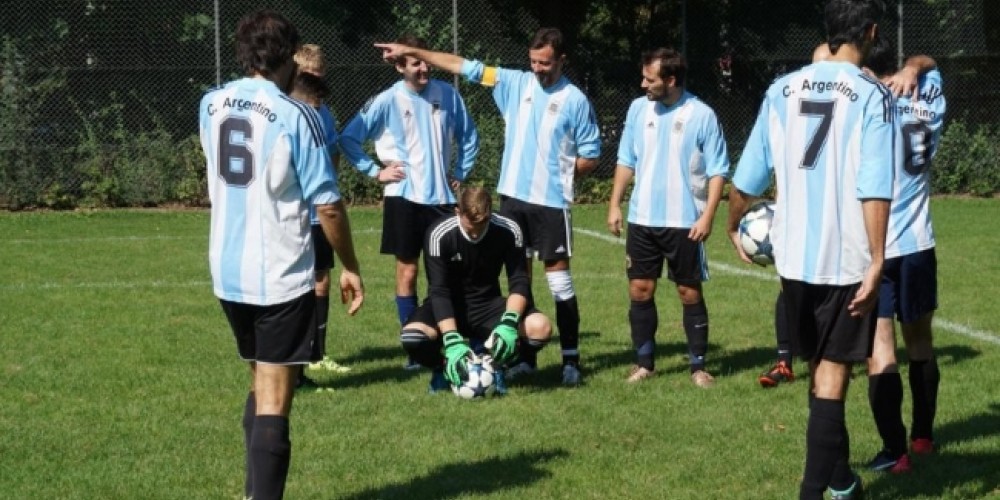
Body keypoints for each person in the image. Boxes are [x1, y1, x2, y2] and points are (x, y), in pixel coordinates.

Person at [726, 1, 893, 498]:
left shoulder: (781, 89)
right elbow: (873, 186)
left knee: (820, 374)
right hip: (844, 258)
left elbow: (749, 176)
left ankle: (841, 481)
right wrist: (878, 258)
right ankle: (811, 493)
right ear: (871, 32)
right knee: (833, 377)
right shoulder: (870, 95)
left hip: (792, 256)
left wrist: (734, 226)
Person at [375, 27, 602, 386]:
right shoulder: (514, 82)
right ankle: (524, 359)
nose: (538, 69)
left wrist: (561, 172)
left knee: (559, 282)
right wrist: (410, 49)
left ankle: (570, 359)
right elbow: (463, 66)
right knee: (519, 279)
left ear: (561, 60)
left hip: (550, 204)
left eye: (545, 63)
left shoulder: (575, 99)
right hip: (512, 199)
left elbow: (590, 155)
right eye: (533, 61)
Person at [199, 10, 364, 500]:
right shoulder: (298, 116)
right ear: (289, 57)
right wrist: (351, 265)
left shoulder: (210, 104)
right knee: (275, 398)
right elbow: (328, 207)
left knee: (259, 380)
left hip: (226, 273)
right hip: (279, 275)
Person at [339, 34, 479, 371]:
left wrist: (459, 169)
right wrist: (375, 172)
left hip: (443, 201)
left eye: (424, 60)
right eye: (414, 62)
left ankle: (454, 340)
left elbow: (470, 135)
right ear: (401, 66)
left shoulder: (448, 95)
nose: (423, 67)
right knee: (407, 270)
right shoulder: (387, 100)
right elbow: (348, 138)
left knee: (448, 273)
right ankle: (415, 348)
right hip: (403, 199)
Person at [606, 47, 729, 387]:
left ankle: (698, 366)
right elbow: (625, 159)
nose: (643, 84)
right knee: (640, 289)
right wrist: (615, 204)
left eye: (650, 79)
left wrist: (708, 217)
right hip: (642, 219)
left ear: (671, 80)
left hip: (685, 221)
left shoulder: (701, 114)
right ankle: (644, 364)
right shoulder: (637, 109)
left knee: (688, 292)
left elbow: (719, 171)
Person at [862, 39, 946, 474]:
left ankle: (895, 454)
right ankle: (924, 437)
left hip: (876, 245)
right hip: (919, 243)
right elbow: (930, 60)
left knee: (880, 351)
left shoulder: (867, 104)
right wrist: (915, 65)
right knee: (921, 343)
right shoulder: (929, 92)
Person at [399, 187, 552, 394]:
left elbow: (519, 281)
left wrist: (508, 322)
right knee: (412, 338)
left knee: (540, 327)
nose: (475, 233)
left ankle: (496, 366)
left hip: (488, 305)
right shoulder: (438, 234)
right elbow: (439, 291)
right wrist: (452, 340)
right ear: (457, 212)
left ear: (490, 214)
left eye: (481, 227)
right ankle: (443, 369)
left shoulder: (509, 229)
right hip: (449, 306)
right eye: (470, 227)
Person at [289, 44, 350, 386]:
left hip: (320, 213)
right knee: (299, 284)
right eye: (309, 75)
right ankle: (297, 355)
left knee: (322, 279)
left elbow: (333, 153)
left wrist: (330, 185)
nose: (316, 80)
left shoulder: (323, 113)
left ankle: (318, 351)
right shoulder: (291, 111)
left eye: (320, 74)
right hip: (297, 215)